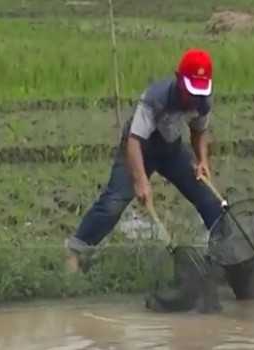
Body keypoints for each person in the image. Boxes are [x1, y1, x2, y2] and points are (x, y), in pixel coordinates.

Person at [65, 48, 223, 272]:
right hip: (139, 149)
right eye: (191, 90)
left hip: (172, 149)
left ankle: (224, 255)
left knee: (208, 199)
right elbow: (134, 140)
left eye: (199, 91)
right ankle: (76, 253)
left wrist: (202, 160)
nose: (195, 97)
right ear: (179, 80)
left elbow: (198, 131)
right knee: (113, 203)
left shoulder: (203, 100)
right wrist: (141, 181)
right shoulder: (155, 98)